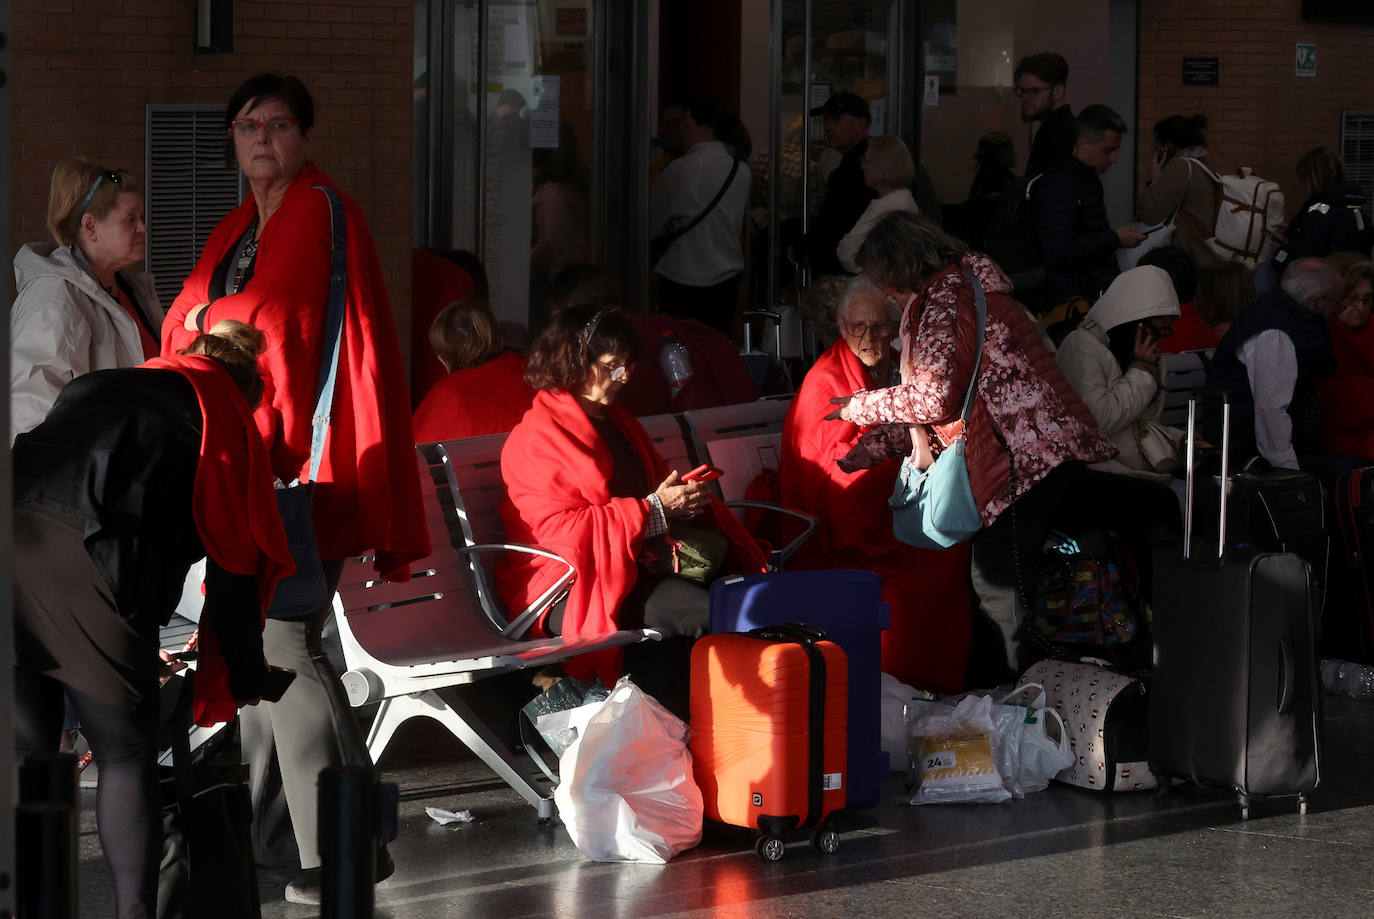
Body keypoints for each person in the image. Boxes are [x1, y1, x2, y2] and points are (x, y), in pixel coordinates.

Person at [160, 72, 429, 905]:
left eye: (276, 124)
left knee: (282, 647)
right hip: (260, 464)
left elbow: (265, 325)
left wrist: (210, 325)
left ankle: (329, 855)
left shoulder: (314, 210)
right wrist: (212, 326)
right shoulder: (243, 223)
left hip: (296, 469)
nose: (261, 138)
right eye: (246, 126)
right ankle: (304, 848)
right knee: (263, 659)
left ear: (303, 137)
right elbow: (185, 321)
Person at [13, 321, 294, 919]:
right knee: (123, 751)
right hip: (82, 561)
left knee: (31, 749)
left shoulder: (106, 386)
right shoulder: (220, 419)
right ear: (243, 390)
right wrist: (246, 674)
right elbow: (236, 569)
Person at [829, 212, 1116, 681]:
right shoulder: (967, 288)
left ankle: (1006, 705)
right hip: (1039, 448)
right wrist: (874, 447)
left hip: (1021, 457)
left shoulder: (943, 301)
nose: (884, 293)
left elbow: (936, 396)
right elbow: (956, 397)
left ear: (897, 266)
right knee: (1016, 580)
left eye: (884, 280)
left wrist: (859, 408)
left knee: (998, 589)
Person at [495, 305, 768, 689]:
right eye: (610, 366)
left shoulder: (619, 421)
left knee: (746, 602)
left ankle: (708, 722)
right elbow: (560, 532)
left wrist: (679, 499)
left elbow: (647, 493)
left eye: (628, 366)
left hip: (627, 563)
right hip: (567, 582)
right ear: (573, 359)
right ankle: (705, 723)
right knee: (708, 612)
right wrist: (654, 510)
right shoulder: (536, 438)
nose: (622, 377)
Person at [780, 276, 973, 690]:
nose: (869, 339)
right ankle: (912, 683)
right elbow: (838, 482)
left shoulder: (878, 367)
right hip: (833, 536)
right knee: (935, 561)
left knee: (954, 545)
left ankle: (938, 684)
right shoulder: (829, 382)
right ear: (840, 324)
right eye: (857, 328)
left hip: (877, 514)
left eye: (880, 328)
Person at [10, 157, 162, 443]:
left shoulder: (131, 289)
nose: (143, 228)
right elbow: (30, 417)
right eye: (131, 219)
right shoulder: (53, 299)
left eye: (141, 217)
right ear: (90, 226)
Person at [1205, 258, 1346, 476]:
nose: (1340, 310)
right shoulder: (1275, 333)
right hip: (1247, 453)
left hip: (1267, 444)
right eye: (1339, 303)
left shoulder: (1282, 315)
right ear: (1317, 302)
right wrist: (1292, 477)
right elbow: (1271, 413)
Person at [1056, 266, 1183, 477]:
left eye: (1165, 331)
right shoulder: (1080, 347)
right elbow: (1097, 420)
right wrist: (1141, 373)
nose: (1160, 340)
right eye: (1157, 330)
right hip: (1099, 474)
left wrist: (1181, 440)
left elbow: (1140, 425)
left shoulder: (1142, 354)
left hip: (1138, 471)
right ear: (1133, 322)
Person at [649, 99, 751, 334]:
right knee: (714, 345)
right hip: (726, 277)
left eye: (686, 124)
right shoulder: (741, 169)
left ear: (704, 128)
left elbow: (654, 222)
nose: (682, 131)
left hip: (679, 275)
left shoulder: (679, 169)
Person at [1034, 104, 1146, 309]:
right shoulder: (1059, 184)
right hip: (1073, 303)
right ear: (1083, 145)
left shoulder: (1088, 180)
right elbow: (1059, 251)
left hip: (1092, 295)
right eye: (1108, 150)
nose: (1115, 159)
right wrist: (1114, 238)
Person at [412, 299, 537, 443]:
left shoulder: (445, 396)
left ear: (443, 360)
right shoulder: (535, 373)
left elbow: (415, 456)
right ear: (500, 339)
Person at [1270, 147, 1374, 281]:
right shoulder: (1354, 207)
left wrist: (1283, 248)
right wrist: (1295, 231)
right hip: (1354, 282)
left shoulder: (1321, 211)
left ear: (1312, 179)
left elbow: (1304, 257)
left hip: (1323, 286)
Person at [804, 91, 875, 279]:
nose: (828, 126)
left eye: (836, 119)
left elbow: (840, 221)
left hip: (849, 273)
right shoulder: (851, 162)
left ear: (861, 124)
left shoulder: (866, 165)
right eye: (826, 120)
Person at [530, 121, 591, 333]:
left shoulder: (554, 192)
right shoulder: (565, 188)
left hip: (558, 280)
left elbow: (550, 245)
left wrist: (520, 271)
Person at [1138, 114, 1218, 268]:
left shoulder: (1181, 167)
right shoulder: (1204, 166)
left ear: (1167, 146)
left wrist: (1153, 181)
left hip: (1188, 258)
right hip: (1206, 256)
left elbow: (1149, 213)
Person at [837, 135, 921, 273]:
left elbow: (847, 252)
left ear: (883, 165)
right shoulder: (900, 200)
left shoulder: (888, 206)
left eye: (866, 161)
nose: (862, 166)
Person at [1319, 258, 1374, 458]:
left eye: (1366, 299)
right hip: (1344, 437)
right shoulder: (1323, 334)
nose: (1360, 307)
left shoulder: (1371, 327)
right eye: (1353, 298)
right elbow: (1336, 399)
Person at [1163, 260, 1254, 353]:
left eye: (1199, 293)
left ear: (1208, 299)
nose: (1196, 299)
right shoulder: (1260, 332)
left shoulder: (1216, 335)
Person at [1015, 52, 1075, 177]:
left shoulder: (1060, 133)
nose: (1025, 98)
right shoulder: (1056, 129)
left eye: (1033, 91)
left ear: (1058, 91)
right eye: (1021, 91)